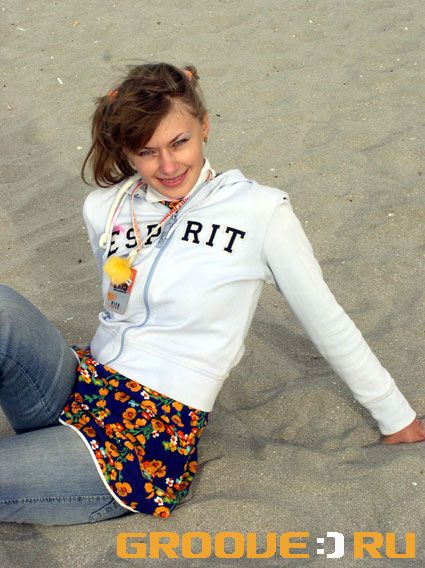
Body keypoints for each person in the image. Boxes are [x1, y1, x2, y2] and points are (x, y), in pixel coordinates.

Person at [0, 62, 424, 527]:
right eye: (147, 151)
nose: (167, 166)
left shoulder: (260, 212)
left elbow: (328, 321)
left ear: (204, 125)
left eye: (179, 142)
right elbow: (118, 307)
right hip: (82, 385)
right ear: (126, 150)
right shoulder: (106, 207)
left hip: (142, 443)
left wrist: (396, 418)